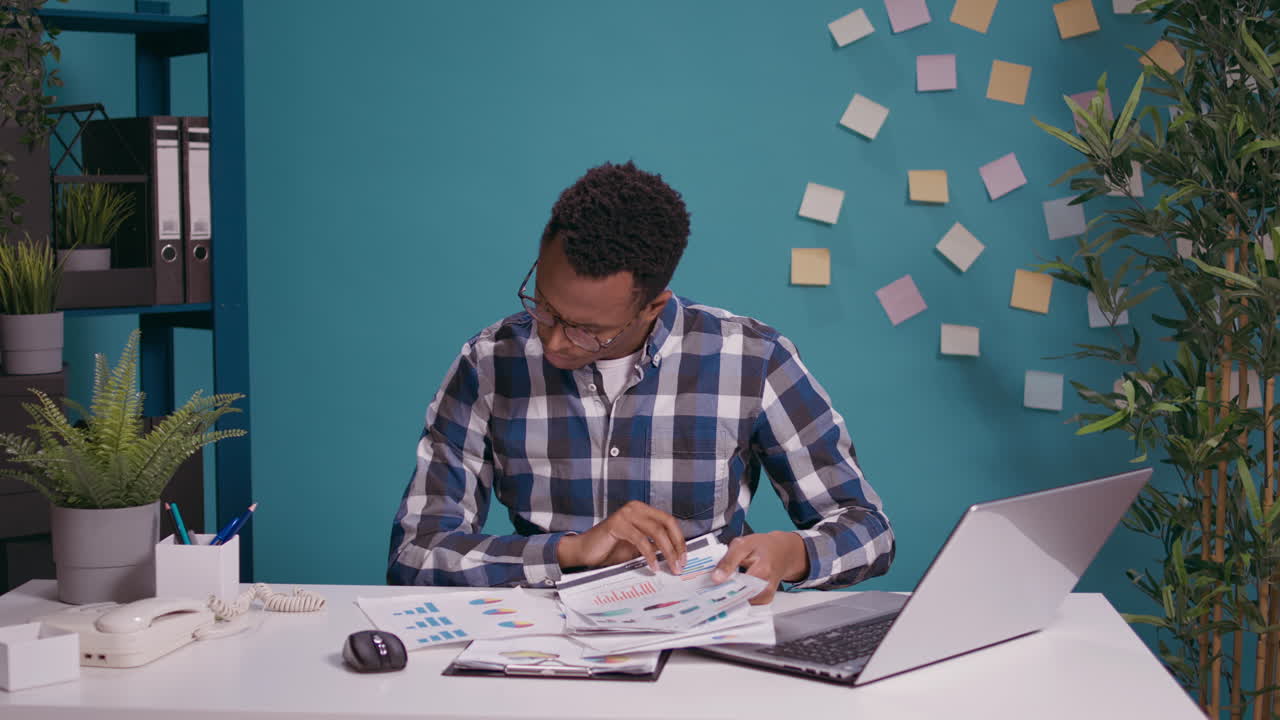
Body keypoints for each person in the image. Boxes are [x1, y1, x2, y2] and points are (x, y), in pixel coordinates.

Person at [388, 161, 894, 604]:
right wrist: (571, 550)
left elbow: (867, 529)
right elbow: (416, 552)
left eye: (587, 331)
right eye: (542, 305)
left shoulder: (752, 358)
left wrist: (794, 555)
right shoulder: (490, 362)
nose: (553, 341)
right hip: (543, 648)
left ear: (653, 306)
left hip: (704, 652)